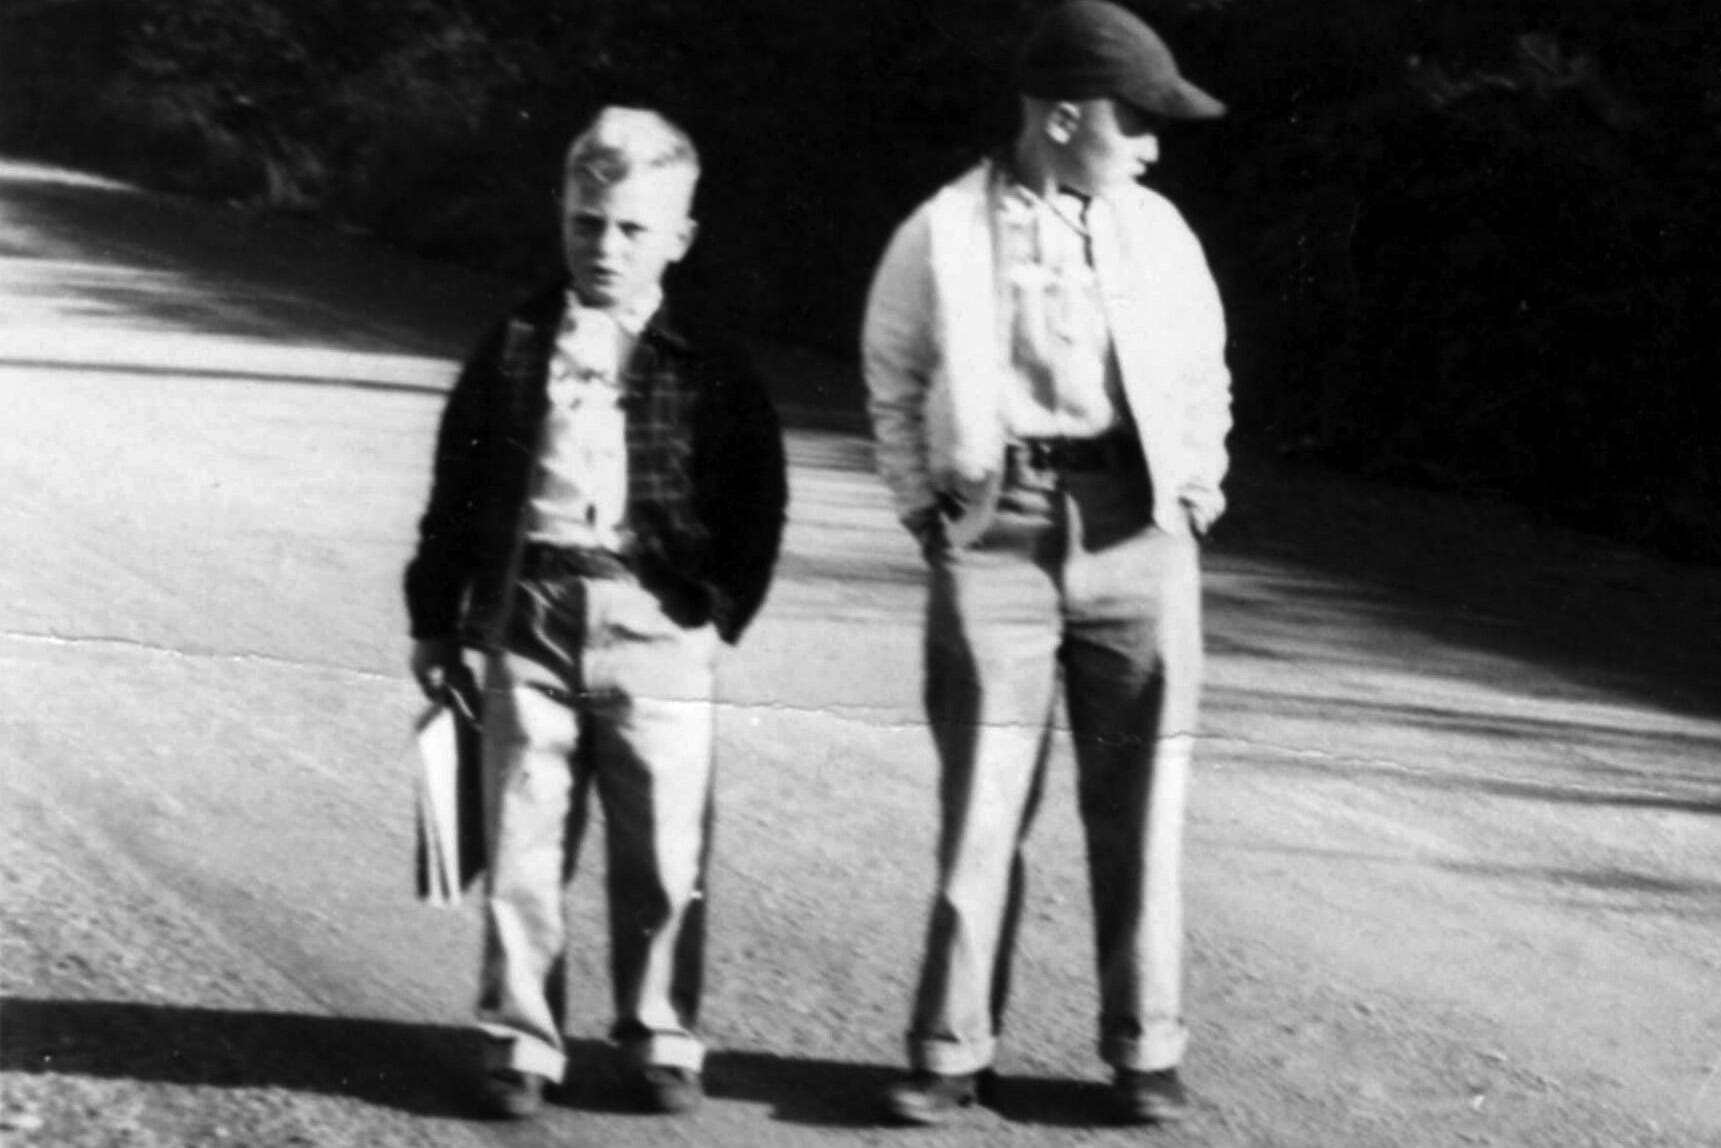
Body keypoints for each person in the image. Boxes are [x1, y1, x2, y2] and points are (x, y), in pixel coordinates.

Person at [862, 1, 1232, 1127]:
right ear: (1064, 118)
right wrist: (928, 513)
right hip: (999, 528)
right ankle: (949, 1044)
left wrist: (1195, 490)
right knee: (982, 802)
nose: (1154, 144)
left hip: (1137, 528)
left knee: (1141, 803)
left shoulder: (1155, 228)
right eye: (1139, 120)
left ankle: (1144, 1047)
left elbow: (1204, 361)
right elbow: (891, 372)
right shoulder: (943, 230)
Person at [404, 105, 788, 1120]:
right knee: (525, 838)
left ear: (678, 237)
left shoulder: (707, 358)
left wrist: (718, 612)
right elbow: (457, 488)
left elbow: (756, 497)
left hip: (655, 618)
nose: (604, 247)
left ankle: (660, 1029)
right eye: (586, 222)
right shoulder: (518, 343)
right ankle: (519, 1036)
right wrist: (434, 617)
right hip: (528, 610)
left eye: (630, 228)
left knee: (663, 847)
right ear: (560, 215)